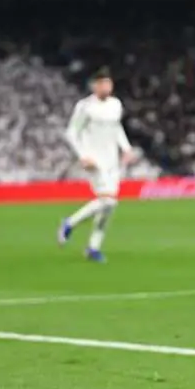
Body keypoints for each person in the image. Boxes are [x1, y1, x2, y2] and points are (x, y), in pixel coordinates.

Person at [58, 67, 135, 262]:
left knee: (108, 207)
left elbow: (116, 128)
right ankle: (70, 223)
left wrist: (126, 148)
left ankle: (93, 248)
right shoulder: (85, 107)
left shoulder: (116, 104)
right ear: (94, 86)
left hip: (112, 160)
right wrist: (83, 156)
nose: (106, 86)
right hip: (94, 160)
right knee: (108, 201)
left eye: (108, 83)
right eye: (102, 83)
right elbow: (71, 133)